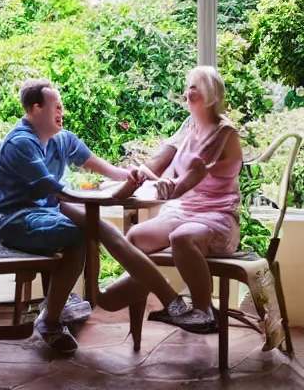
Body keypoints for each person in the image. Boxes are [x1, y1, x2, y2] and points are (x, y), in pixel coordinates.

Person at [0, 78, 199, 355]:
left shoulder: (61, 139)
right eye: (56, 106)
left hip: (49, 209)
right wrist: (106, 197)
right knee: (81, 233)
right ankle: (52, 320)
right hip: (17, 219)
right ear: (35, 109)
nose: (61, 112)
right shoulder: (21, 143)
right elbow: (54, 190)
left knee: (98, 227)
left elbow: (107, 169)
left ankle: (170, 302)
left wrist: (134, 176)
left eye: (62, 107)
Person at [96, 66, 243, 333]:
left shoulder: (225, 133)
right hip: (185, 211)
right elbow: (160, 161)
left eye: (194, 87)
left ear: (210, 93)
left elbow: (192, 176)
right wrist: (140, 173)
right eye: (188, 86)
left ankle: (203, 312)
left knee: (182, 237)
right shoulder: (188, 126)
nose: (188, 92)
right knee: (135, 237)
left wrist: (170, 186)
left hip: (218, 216)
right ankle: (151, 284)